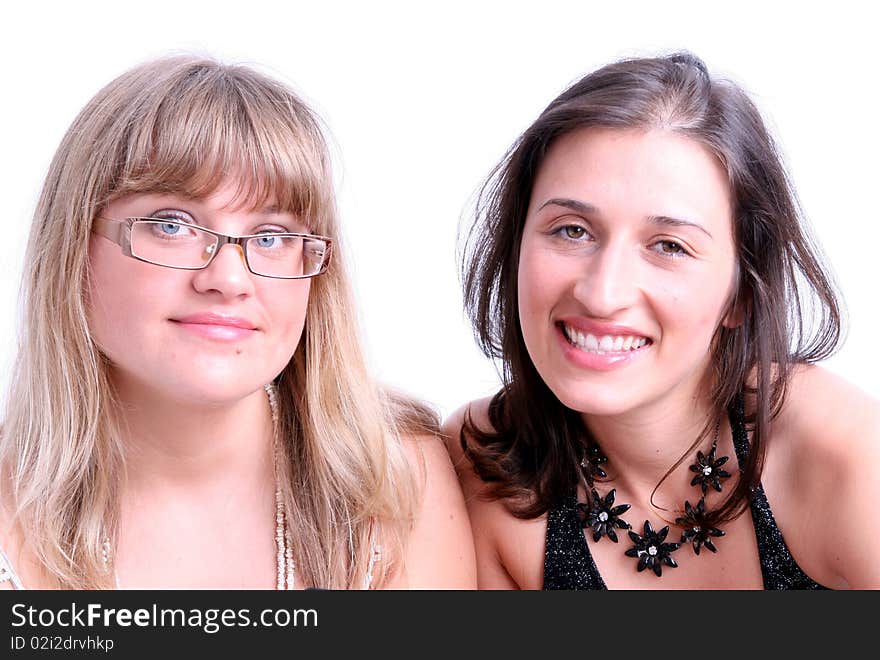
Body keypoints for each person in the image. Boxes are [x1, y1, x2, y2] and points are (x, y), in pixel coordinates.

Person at [0, 55, 475, 590]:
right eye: (171, 225)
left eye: (271, 236)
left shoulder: (397, 480)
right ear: (74, 248)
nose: (227, 279)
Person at [443, 51, 879, 589]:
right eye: (571, 230)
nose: (602, 294)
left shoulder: (845, 452)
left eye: (668, 246)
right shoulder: (485, 465)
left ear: (742, 292)